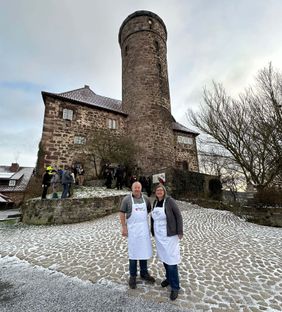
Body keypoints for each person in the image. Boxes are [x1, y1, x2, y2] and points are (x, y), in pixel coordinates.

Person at [119, 181, 155, 289]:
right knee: (133, 254)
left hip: (143, 230)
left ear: (141, 188)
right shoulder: (127, 199)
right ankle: (133, 276)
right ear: (132, 188)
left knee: (143, 252)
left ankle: (144, 273)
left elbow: (148, 210)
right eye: (135, 187)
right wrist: (124, 227)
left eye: (139, 187)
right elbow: (122, 213)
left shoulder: (146, 199)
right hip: (133, 231)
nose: (137, 189)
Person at [151, 184, 183, 301]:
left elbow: (178, 216)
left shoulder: (170, 201)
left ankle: (175, 287)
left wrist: (180, 231)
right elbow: (152, 218)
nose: (159, 192)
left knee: (171, 260)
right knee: (164, 258)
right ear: (155, 192)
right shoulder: (155, 203)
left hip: (170, 235)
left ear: (164, 191)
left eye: (161, 190)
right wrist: (152, 231)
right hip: (159, 236)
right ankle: (169, 279)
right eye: (157, 190)